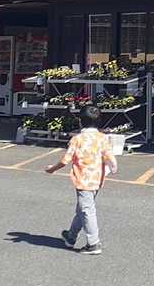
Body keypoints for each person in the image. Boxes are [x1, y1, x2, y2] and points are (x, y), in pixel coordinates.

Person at [45, 104, 117, 255]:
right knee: (82, 209)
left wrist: (52, 169)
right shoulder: (103, 138)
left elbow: (65, 160)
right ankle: (71, 237)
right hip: (97, 179)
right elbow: (111, 158)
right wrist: (112, 167)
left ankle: (93, 243)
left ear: (80, 121)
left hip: (83, 180)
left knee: (87, 210)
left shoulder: (77, 139)